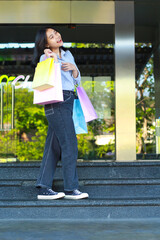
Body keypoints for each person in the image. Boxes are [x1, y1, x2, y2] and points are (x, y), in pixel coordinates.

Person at [32, 27, 89, 200]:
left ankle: (43, 187)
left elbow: (76, 80)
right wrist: (54, 60)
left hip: (68, 99)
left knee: (53, 146)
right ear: (46, 42)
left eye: (56, 33)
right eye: (51, 36)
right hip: (55, 102)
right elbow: (50, 78)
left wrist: (74, 69)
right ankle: (71, 189)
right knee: (69, 144)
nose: (57, 36)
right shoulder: (45, 57)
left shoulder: (68, 54)